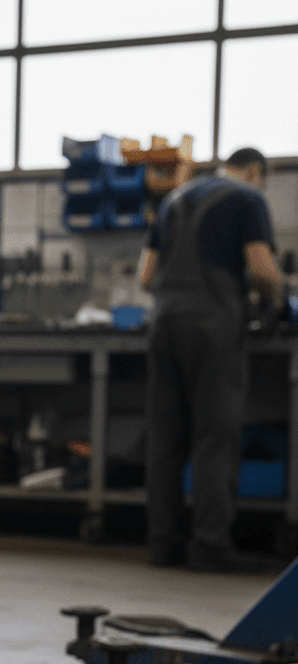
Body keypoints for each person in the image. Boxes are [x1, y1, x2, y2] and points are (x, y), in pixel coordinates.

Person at [137, 147, 284, 572]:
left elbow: (146, 277)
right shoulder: (249, 198)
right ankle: (209, 546)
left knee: (165, 438)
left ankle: (162, 544)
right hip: (212, 326)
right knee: (215, 437)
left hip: (164, 325)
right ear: (254, 172)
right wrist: (278, 298)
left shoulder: (173, 199)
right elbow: (262, 271)